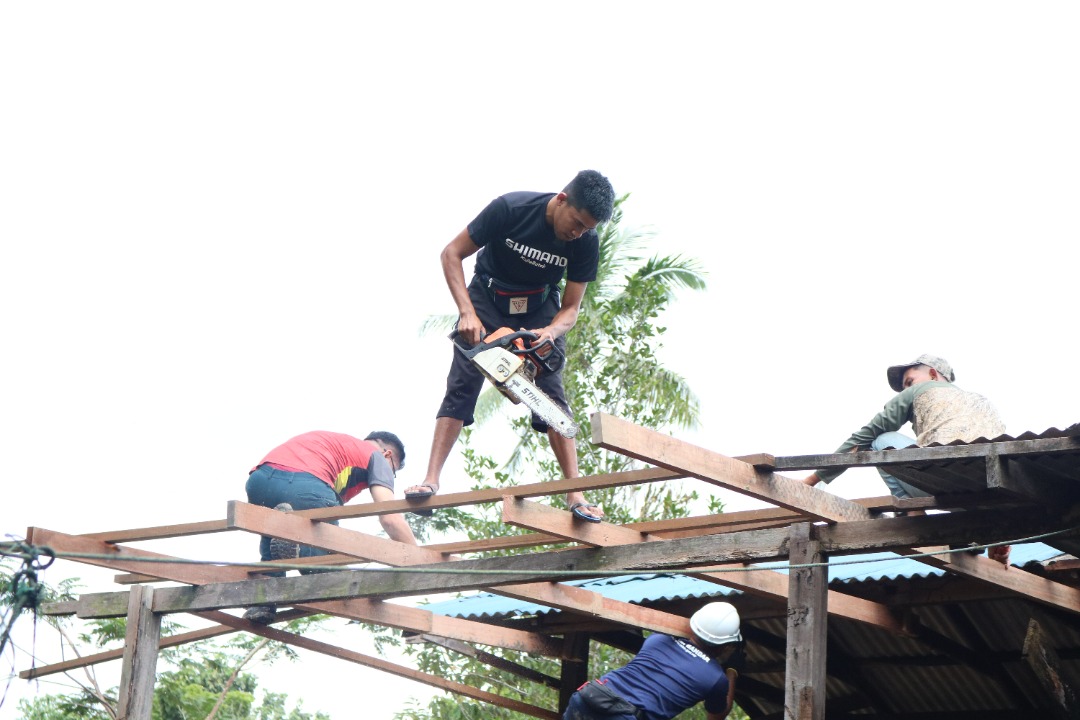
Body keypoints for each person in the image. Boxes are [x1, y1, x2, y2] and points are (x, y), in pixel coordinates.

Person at [405, 170, 616, 523]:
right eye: (577, 223)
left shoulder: (585, 242)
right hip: (487, 297)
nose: (577, 233)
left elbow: (571, 308)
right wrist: (467, 313)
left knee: (551, 393)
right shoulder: (511, 208)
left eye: (586, 229)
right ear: (562, 199)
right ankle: (430, 480)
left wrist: (550, 332)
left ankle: (575, 495)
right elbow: (451, 253)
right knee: (461, 385)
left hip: (538, 309)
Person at [802, 354, 1010, 564]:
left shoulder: (921, 390)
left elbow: (867, 433)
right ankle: (982, 535)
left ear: (932, 374)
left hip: (946, 478)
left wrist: (814, 478)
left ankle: (913, 510)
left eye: (909, 382)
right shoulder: (983, 401)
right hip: (995, 490)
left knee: (881, 441)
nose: (906, 390)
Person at [242, 430, 418, 624]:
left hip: (259, 481)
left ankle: (262, 603)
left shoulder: (339, 448)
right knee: (329, 560)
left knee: (273, 536)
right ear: (388, 455)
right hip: (305, 483)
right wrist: (420, 561)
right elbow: (390, 518)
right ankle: (301, 553)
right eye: (393, 470)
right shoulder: (375, 457)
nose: (389, 475)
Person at [563, 601, 744, 720]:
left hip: (588, 698)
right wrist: (732, 672)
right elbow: (717, 715)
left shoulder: (658, 639)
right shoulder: (715, 678)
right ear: (726, 645)